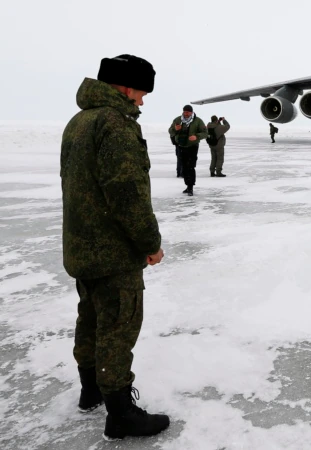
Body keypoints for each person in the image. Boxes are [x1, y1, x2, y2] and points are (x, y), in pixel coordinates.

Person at [60, 54, 170, 441]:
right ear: (125, 87)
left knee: (89, 320)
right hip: (112, 252)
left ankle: (90, 392)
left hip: (81, 247)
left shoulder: (79, 122)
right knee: (118, 327)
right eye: (141, 92)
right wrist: (150, 244)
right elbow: (128, 195)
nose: (141, 101)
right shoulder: (115, 124)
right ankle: (120, 414)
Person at [169, 105, 207, 195]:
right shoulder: (177, 120)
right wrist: (175, 129)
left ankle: (190, 187)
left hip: (192, 147)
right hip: (181, 146)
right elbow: (170, 131)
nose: (186, 114)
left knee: (191, 167)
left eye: (188, 112)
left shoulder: (198, 121)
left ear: (191, 112)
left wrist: (196, 136)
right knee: (184, 167)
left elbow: (205, 133)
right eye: (184, 112)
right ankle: (187, 185)